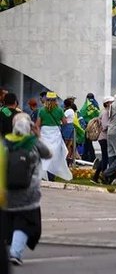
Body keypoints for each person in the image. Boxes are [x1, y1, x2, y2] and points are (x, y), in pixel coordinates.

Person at [4, 113, 52, 266]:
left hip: (7, 193)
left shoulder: (5, 143)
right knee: (25, 223)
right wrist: (37, 136)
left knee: (9, 221)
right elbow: (48, 153)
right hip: (29, 194)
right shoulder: (33, 143)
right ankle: (15, 253)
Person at [36, 93, 72, 181]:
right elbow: (64, 122)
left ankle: (44, 174)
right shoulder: (59, 110)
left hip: (44, 133)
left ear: (46, 99)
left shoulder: (42, 110)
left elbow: (37, 124)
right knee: (54, 156)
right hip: (55, 133)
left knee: (44, 155)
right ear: (55, 100)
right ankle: (51, 176)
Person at [61, 97, 76, 165]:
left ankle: (65, 159)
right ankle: (68, 158)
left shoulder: (68, 111)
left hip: (67, 127)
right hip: (71, 126)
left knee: (65, 143)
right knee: (69, 144)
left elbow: (63, 118)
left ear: (65, 105)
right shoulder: (72, 110)